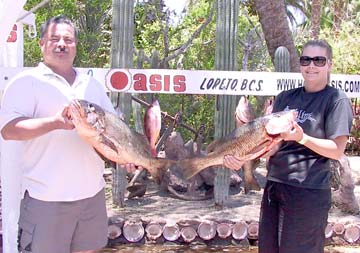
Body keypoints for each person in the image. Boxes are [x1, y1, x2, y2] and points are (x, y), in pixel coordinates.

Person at [0, 15, 134, 253]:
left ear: (75, 45)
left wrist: (127, 157)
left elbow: (112, 130)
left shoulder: (91, 84)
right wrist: (54, 122)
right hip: (46, 200)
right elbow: (9, 131)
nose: (61, 43)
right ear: (41, 43)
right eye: (54, 38)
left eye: (68, 39)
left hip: (92, 195)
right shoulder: (25, 82)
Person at [223, 39, 353, 253]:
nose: (311, 65)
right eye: (306, 60)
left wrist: (302, 138)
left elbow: (337, 149)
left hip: (308, 192)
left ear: (329, 64)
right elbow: (272, 145)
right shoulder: (285, 97)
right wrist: (243, 158)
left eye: (319, 60)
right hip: (275, 186)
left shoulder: (336, 100)